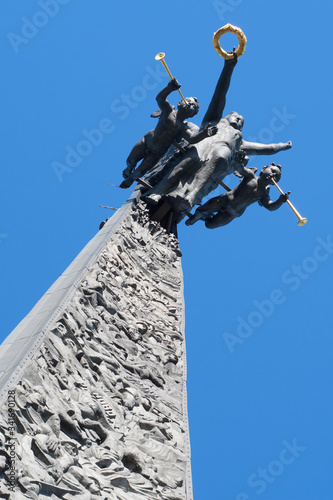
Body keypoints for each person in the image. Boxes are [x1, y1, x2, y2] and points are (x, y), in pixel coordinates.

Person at [143, 53, 292, 213]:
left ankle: (191, 195)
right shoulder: (214, 119)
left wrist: (282, 146)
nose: (239, 119)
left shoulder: (239, 141)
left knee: (222, 156)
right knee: (185, 163)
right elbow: (220, 94)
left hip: (219, 155)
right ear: (226, 115)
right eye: (236, 116)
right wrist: (228, 68)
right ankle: (158, 191)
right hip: (200, 147)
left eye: (241, 121)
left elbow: (268, 149)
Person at [120, 78, 217, 188]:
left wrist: (204, 134)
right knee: (133, 157)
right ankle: (129, 167)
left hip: (158, 152)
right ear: (179, 102)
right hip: (147, 140)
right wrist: (169, 89)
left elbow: (192, 138)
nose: (190, 104)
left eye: (193, 106)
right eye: (188, 102)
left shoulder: (183, 127)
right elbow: (160, 98)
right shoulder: (168, 110)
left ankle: (132, 178)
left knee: (142, 169)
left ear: (192, 115)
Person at [185, 162, 289, 228]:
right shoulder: (251, 176)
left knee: (210, 225)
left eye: (276, 177)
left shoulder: (264, 194)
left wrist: (280, 201)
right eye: (273, 171)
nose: (273, 175)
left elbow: (270, 206)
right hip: (225, 199)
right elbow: (241, 169)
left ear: (274, 183)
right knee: (201, 210)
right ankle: (195, 218)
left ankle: (208, 217)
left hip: (233, 212)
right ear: (263, 169)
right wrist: (240, 161)